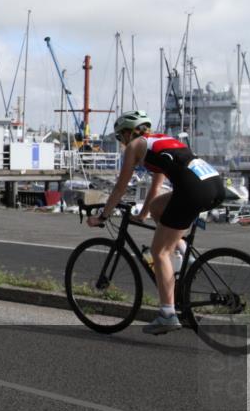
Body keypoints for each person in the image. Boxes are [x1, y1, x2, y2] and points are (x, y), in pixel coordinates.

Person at [87, 110, 226, 334]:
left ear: (128, 133)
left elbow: (120, 187)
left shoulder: (135, 147)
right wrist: (143, 214)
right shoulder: (160, 142)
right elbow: (155, 187)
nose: (122, 143)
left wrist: (102, 216)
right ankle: (187, 257)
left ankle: (167, 314)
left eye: (120, 137)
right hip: (213, 183)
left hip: (192, 189)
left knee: (159, 251)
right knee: (157, 208)